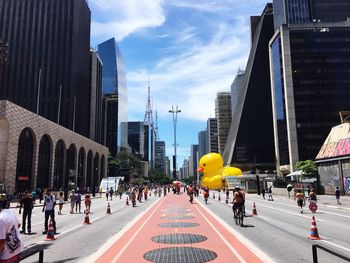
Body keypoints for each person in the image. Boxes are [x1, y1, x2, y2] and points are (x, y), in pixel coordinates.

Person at [0, 193, 23, 263]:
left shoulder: (1, 219)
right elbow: (18, 225)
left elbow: (1, 241)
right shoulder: (10, 212)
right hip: (17, 250)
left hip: (7, 256)